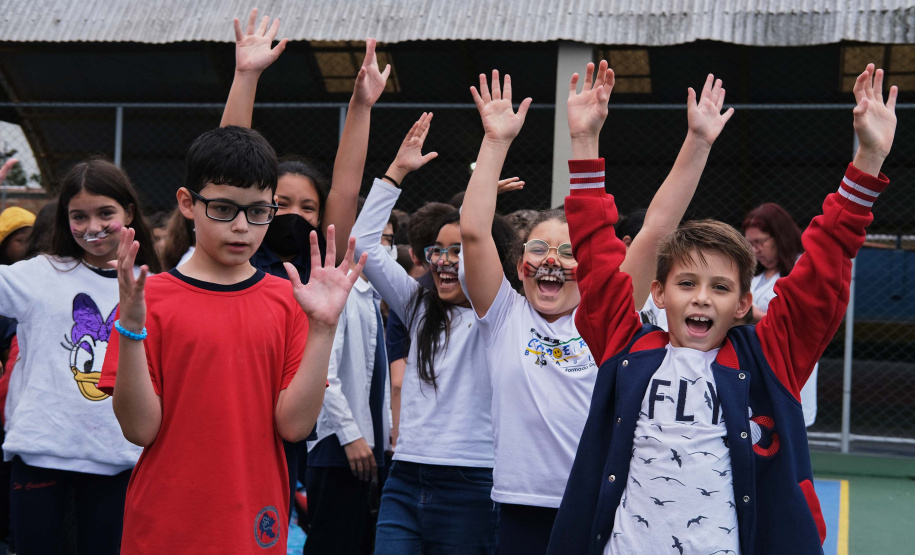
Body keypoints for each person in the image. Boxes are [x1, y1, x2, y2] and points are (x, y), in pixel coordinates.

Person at [547, 63, 897, 554]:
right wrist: (584, 141)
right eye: (687, 283)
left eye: (720, 287)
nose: (702, 297)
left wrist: (869, 158)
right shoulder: (626, 348)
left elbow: (824, 265)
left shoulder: (769, 359)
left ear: (743, 304)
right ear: (658, 293)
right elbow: (597, 254)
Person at [460, 64, 734, 554]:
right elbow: (475, 231)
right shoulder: (504, 317)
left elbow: (657, 228)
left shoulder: (608, 318)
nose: (551, 261)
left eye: (568, 253)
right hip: (519, 509)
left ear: (586, 266)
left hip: (596, 506)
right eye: (538, 250)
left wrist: (698, 142)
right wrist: (495, 142)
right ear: (519, 265)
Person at [98, 125, 366, 552]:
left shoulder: (290, 300)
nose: (242, 227)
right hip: (164, 525)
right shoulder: (149, 299)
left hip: (254, 523)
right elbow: (139, 429)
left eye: (258, 211)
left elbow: (295, 426)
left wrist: (323, 328)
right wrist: (130, 331)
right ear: (188, 203)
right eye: (224, 208)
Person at [353, 114, 518, 554]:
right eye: (438, 251)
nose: (444, 261)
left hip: (472, 480)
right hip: (405, 475)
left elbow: (478, 242)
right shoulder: (419, 307)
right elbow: (364, 246)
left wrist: (481, 193)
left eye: (458, 251)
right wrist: (396, 172)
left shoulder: (503, 317)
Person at [0, 158, 160, 554]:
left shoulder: (155, 286)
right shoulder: (40, 274)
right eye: (79, 216)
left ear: (129, 213)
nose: (92, 227)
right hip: (41, 454)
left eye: (105, 213)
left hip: (120, 459)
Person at [743, 202, 818, 426]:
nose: (755, 250)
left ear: (780, 237)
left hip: (788, 368)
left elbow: (802, 326)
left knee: (786, 430)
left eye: (760, 242)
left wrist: (753, 314)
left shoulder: (803, 269)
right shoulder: (755, 276)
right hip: (755, 367)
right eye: (750, 244)